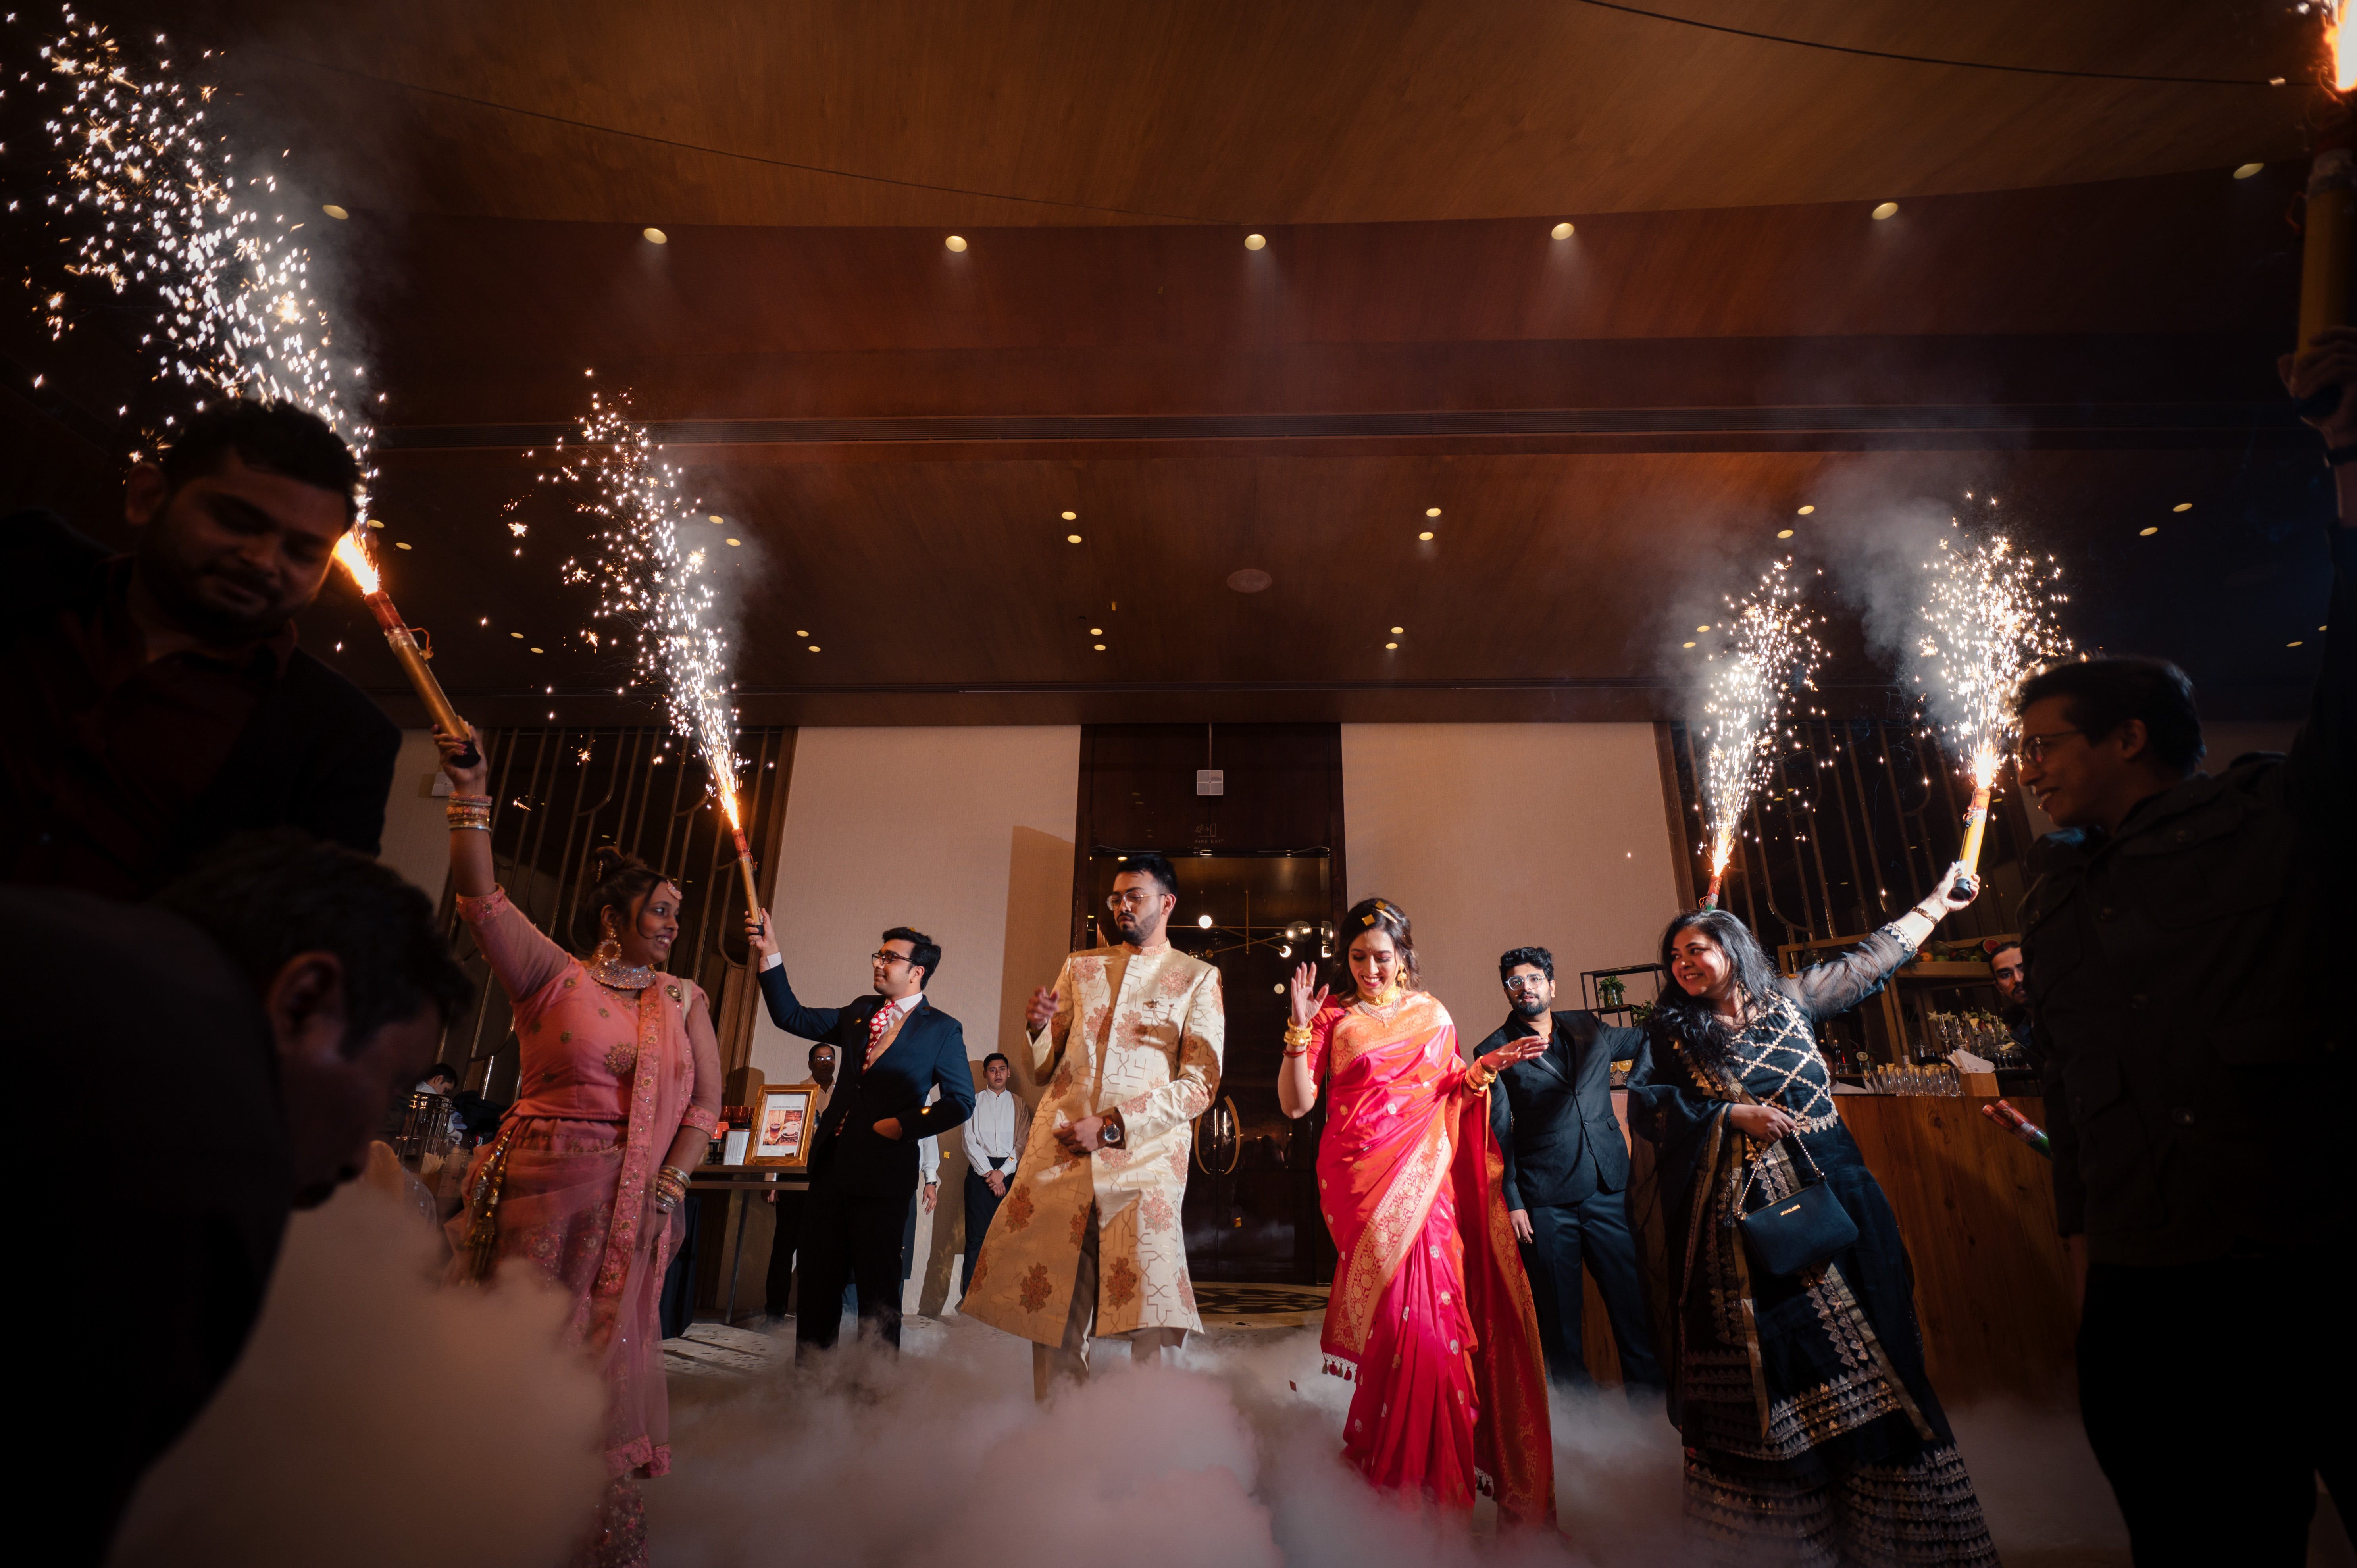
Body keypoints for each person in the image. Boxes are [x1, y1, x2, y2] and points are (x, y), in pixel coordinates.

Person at [2007, 323, 2356, 1568]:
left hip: (2308, 1257)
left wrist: (2345, 460)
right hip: (2150, 1287)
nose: (2028, 770)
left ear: (2128, 738)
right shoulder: (2049, 900)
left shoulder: (2279, 817)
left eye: (2047, 743)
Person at [26, 828, 468, 1566]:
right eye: (389, 1088)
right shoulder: (195, 1155)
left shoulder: (63, 936)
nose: (361, 1156)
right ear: (303, 1000)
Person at [1625, 866, 1997, 1565]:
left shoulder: (1793, 1001)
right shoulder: (1672, 1036)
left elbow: (1870, 961)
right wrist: (1728, 1112)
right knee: (1783, 1371)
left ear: (1730, 950)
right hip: (1740, 1232)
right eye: (1673, 958)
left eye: (1694, 951)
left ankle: (1894, 1545)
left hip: (1838, 1201)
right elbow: (1646, 1106)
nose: (1681, 966)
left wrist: (1936, 906)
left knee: (1878, 1353)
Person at [435, 729, 721, 1568]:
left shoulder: (684, 997)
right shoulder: (552, 976)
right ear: (614, 917)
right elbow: (480, 899)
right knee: (520, 1345)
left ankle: (587, 1527)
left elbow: (704, 1104)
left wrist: (670, 1179)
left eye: (677, 912)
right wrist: (473, 794)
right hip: (530, 1191)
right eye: (660, 910)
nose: (672, 925)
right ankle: (494, 1508)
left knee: (603, 1360)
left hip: (626, 1204)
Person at [4, 399, 400, 900]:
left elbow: (298, 935)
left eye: (301, 551)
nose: (261, 561)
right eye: (236, 521)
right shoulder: (23, 566)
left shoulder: (342, 740)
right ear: (147, 496)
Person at [1279, 898, 1553, 1521]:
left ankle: (1439, 1489)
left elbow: (1449, 1092)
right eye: (1357, 957)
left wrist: (1480, 1071)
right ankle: (1389, 1475)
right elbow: (1297, 1104)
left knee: (1435, 1331)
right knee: (1395, 1327)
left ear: (1403, 956)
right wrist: (1298, 1031)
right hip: (1362, 1187)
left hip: (1426, 1190)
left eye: (1382, 956)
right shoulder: (1332, 1016)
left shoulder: (1432, 1013)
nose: (1370, 968)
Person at [963, 850, 1224, 1401]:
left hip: (1143, 1163)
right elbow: (1041, 1066)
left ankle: (1151, 1439)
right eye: (1116, 898)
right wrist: (1037, 1028)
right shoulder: (1081, 966)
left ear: (1166, 902)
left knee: (1153, 1306)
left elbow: (1199, 1084)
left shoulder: (1197, 978)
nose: (1122, 906)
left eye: (1134, 896)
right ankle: (1061, 1441)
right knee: (1055, 1303)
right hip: (1062, 1158)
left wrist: (1110, 1126)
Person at [744, 913, 974, 1353]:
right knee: (816, 1281)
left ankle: (875, 1393)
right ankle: (811, 1383)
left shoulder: (943, 1030)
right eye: (879, 954)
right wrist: (769, 952)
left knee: (877, 1289)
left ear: (916, 972)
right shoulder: (858, 1012)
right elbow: (789, 1015)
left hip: (885, 1172)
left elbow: (961, 1101)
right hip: (832, 1166)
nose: (878, 963)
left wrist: (902, 1126)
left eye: (890, 957)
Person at [1474, 946, 1660, 1395]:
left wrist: (1643, 1085)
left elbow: (1644, 1039)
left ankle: (1651, 1411)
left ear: (1551, 985)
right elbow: (1496, 1135)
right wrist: (1512, 1201)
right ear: (1506, 991)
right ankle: (1584, 1426)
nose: (1525, 989)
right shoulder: (1493, 1051)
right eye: (1515, 983)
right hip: (1544, 1201)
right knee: (1559, 1321)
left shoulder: (1589, 1027)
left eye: (1534, 979)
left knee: (1631, 1307)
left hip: (1607, 1189)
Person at [761, 1042, 838, 1323]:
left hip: (831, 1178)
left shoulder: (847, 1094)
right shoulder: (795, 1093)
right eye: (819, 1058)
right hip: (796, 1175)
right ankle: (775, 1310)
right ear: (810, 1064)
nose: (825, 1062)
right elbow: (775, 1140)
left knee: (819, 1249)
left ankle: (810, 1309)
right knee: (785, 1245)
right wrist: (771, 1180)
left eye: (830, 1057)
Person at [961, 1052, 1030, 1295]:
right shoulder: (973, 1101)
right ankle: (968, 1300)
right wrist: (991, 1173)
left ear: (1009, 1073)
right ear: (985, 1075)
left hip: (1011, 1174)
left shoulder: (1019, 1104)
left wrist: (1003, 1172)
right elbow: (970, 1142)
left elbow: (1023, 1142)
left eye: (1002, 1069)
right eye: (993, 1070)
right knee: (976, 1240)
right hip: (981, 1175)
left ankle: (1001, 1300)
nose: (998, 1073)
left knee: (1009, 1239)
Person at [1982, 939, 2033, 1059]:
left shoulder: (2075, 1016)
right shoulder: (2024, 1035)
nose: (2018, 979)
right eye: (2005, 975)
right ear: (1999, 987)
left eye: (2024, 969)